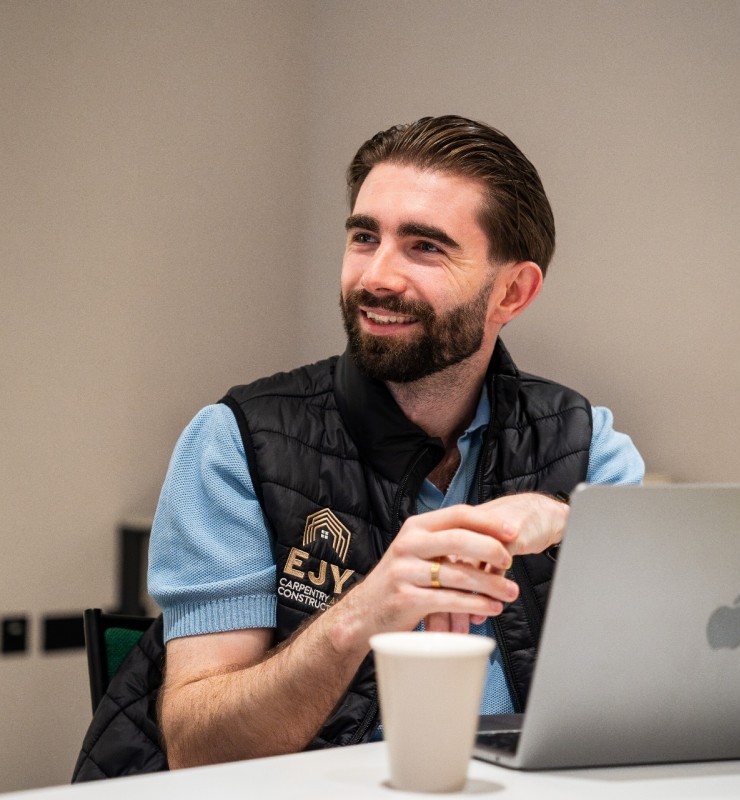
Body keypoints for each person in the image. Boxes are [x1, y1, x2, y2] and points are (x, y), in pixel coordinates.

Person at [148, 115, 644, 769]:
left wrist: (570, 519)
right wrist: (364, 613)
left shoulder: (587, 447)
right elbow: (198, 747)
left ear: (512, 292)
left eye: (424, 247)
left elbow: (663, 690)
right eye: (364, 237)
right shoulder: (236, 442)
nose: (375, 277)